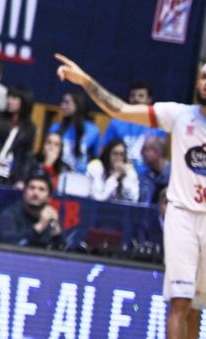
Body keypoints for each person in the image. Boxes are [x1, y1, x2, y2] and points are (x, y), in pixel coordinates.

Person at [58, 54, 206, 339]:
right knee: (180, 302)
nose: (205, 82)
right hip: (182, 216)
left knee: (197, 308)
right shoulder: (179, 115)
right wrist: (86, 82)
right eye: (202, 77)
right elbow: (121, 110)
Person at [0, 172, 62, 249]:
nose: (35, 193)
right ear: (24, 193)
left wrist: (57, 235)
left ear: (49, 198)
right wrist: (38, 228)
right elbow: (7, 246)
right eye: (32, 188)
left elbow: (63, 250)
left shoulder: (50, 218)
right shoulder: (9, 215)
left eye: (41, 189)